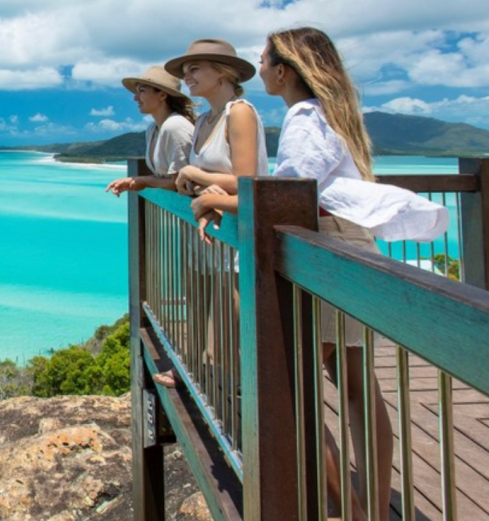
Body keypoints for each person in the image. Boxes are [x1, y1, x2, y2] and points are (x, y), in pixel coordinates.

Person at [193, 27, 445, 521]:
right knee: (355, 386)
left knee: (292, 390)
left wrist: (213, 198)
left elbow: (291, 192)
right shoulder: (334, 114)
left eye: (264, 60)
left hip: (323, 250)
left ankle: (347, 508)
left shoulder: (304, 117)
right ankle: (370, 508)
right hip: (350, 243)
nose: (260, 68)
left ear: (284, 70)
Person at [152, 39, 269, 390]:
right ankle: (210, 386)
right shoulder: (203, 121)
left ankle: (243, 415)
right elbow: (197, 181)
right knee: (208, 321)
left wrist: (198, 177)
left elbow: (249, 183)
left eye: (195, 68)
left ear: (222, 72)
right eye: (185, 70)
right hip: (207, 232)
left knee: (231, 335)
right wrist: (199, 186)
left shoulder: (240, 112)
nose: (187, 76)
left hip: (234, 236)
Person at [105, 66, 196, 195]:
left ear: (162, 95)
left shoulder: (174, 126)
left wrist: (142, 181)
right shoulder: (153, 129)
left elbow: (179, 181)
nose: (135, 98)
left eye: (141, 91)